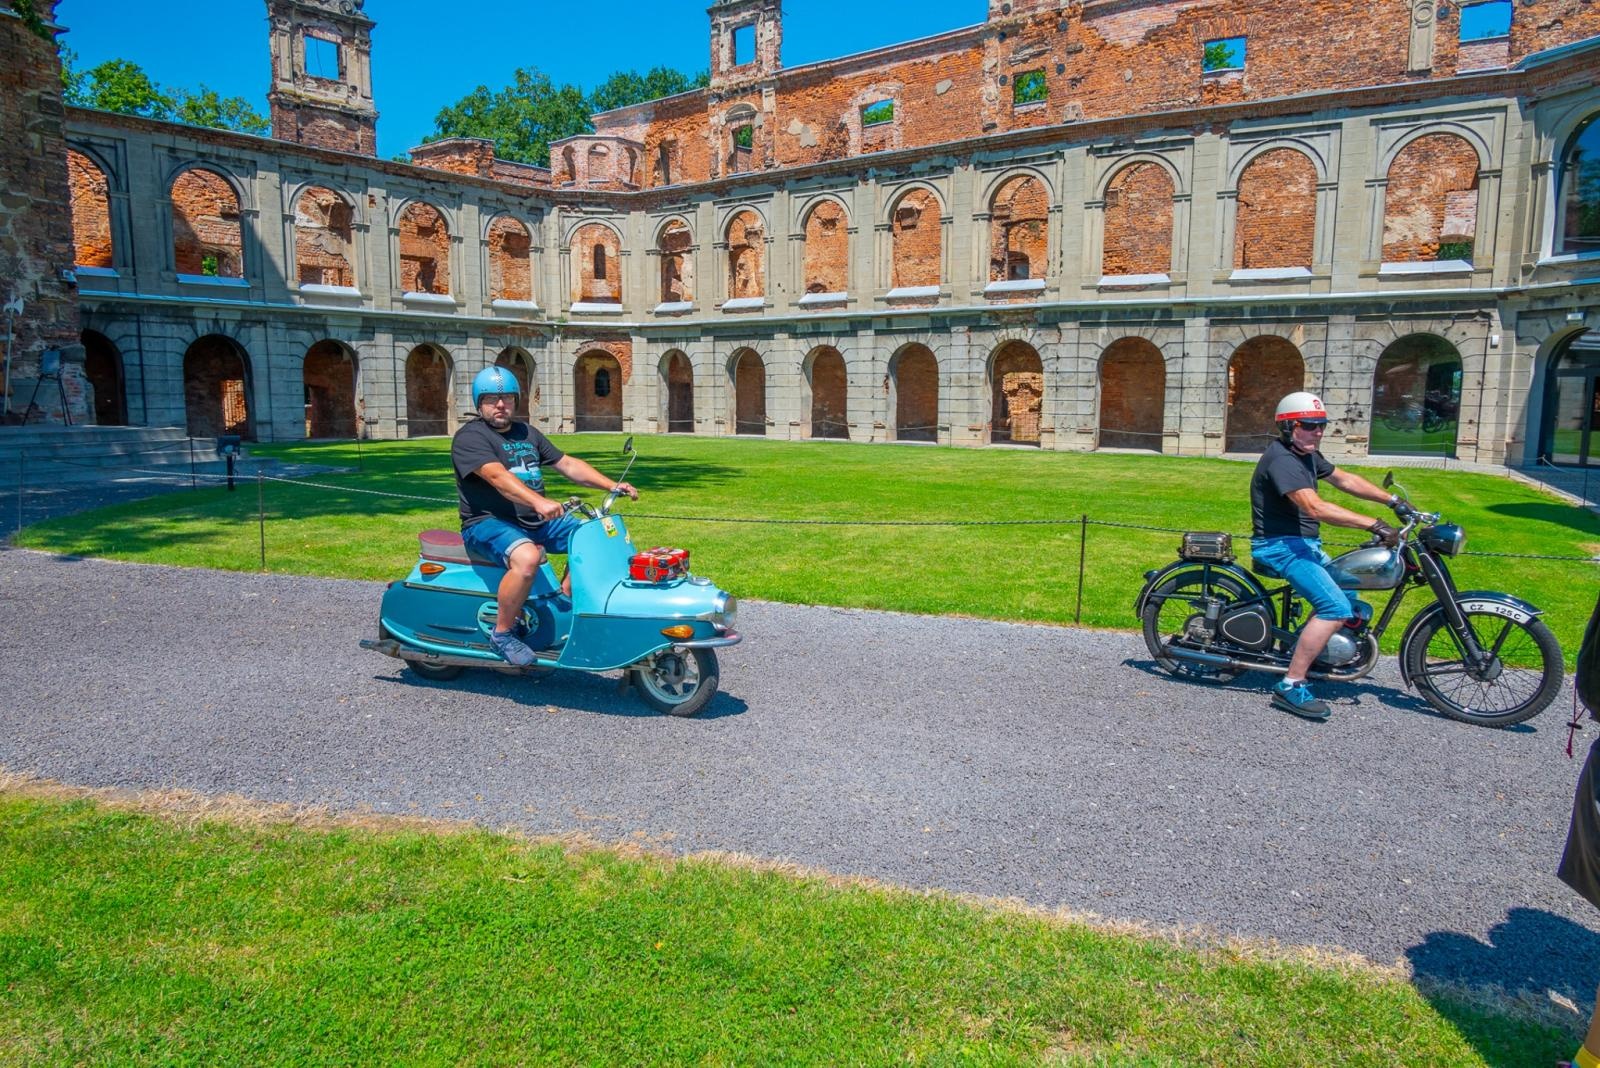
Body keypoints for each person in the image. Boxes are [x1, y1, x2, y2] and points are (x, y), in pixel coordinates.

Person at [451, 366, 637, 667]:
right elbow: (497, 477)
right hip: (488, 523)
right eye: (491, 399)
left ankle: (563, 604)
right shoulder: (470, 437)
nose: (501, 405)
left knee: (593, 536)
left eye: (508, 398)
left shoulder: (527, 433)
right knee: (526, 559)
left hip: (535, 521)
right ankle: (503, 634)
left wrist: (611, 484)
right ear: (478, 403)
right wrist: (538, 501)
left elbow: (568, 464)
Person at [1249, 391, 1403, 721]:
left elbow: (1343, 479)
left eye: (1321, 426)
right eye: (1309, 426)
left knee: (1352, 599)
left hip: (1305, 545)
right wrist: (1374, 524)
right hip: (1280, 546)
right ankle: (1290, 685)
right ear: (1289, 427)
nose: (1317, 432)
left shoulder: (1306, 454)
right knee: (1335, 607)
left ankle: (1315, 648)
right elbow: (1315, 507)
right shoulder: (1283, 461)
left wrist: (1392, 501)